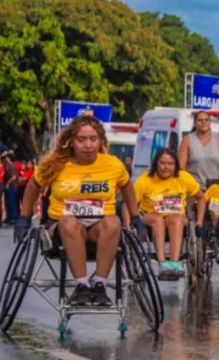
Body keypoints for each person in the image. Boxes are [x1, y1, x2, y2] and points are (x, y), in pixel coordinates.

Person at [14, 116, 145, 307]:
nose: (88, 145)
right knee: (69, 222)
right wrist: (24, 217)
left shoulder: (112, 164)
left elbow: (126, 186)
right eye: (81, 140)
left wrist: (135, 216)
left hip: (98, 226)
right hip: (61, 226)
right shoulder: (56, 164)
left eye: (93, 139)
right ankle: (82, 286)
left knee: (113, 222)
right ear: (71, 141)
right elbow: (34, 185)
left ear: (100, 140)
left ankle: (100, 285)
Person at [126, 149, 206, 279]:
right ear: (156, 163)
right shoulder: (145, 179)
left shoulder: (183, 177)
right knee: (158, 220)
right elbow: (128, 203)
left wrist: (200, 222)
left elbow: (201, 198)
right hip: (150, 216)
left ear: (175, 165)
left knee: (175, 219)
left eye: (170, 163)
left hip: (175, 216)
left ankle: (174, 263)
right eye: (162, 163)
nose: (166, 167)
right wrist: (128, 226)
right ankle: (162, 263)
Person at [178, 111, 219, 191]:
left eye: (206, 120)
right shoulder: (187, 140)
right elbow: (181, 170)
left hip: (215, 188)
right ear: (195, 124)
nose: (203, 122)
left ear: (210, 122)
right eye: (200, 120)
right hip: (194, 189)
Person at [2, 153, 18, 224]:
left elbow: (13, 177)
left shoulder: (12, 166)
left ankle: (13, 217)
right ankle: (9, 217)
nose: (6, 158)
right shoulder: (8, 166)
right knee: (8, 202)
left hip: (11, 187)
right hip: (8, 186)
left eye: (7, 157)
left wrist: (7, 183)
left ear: (9, 158)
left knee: (11, 202)